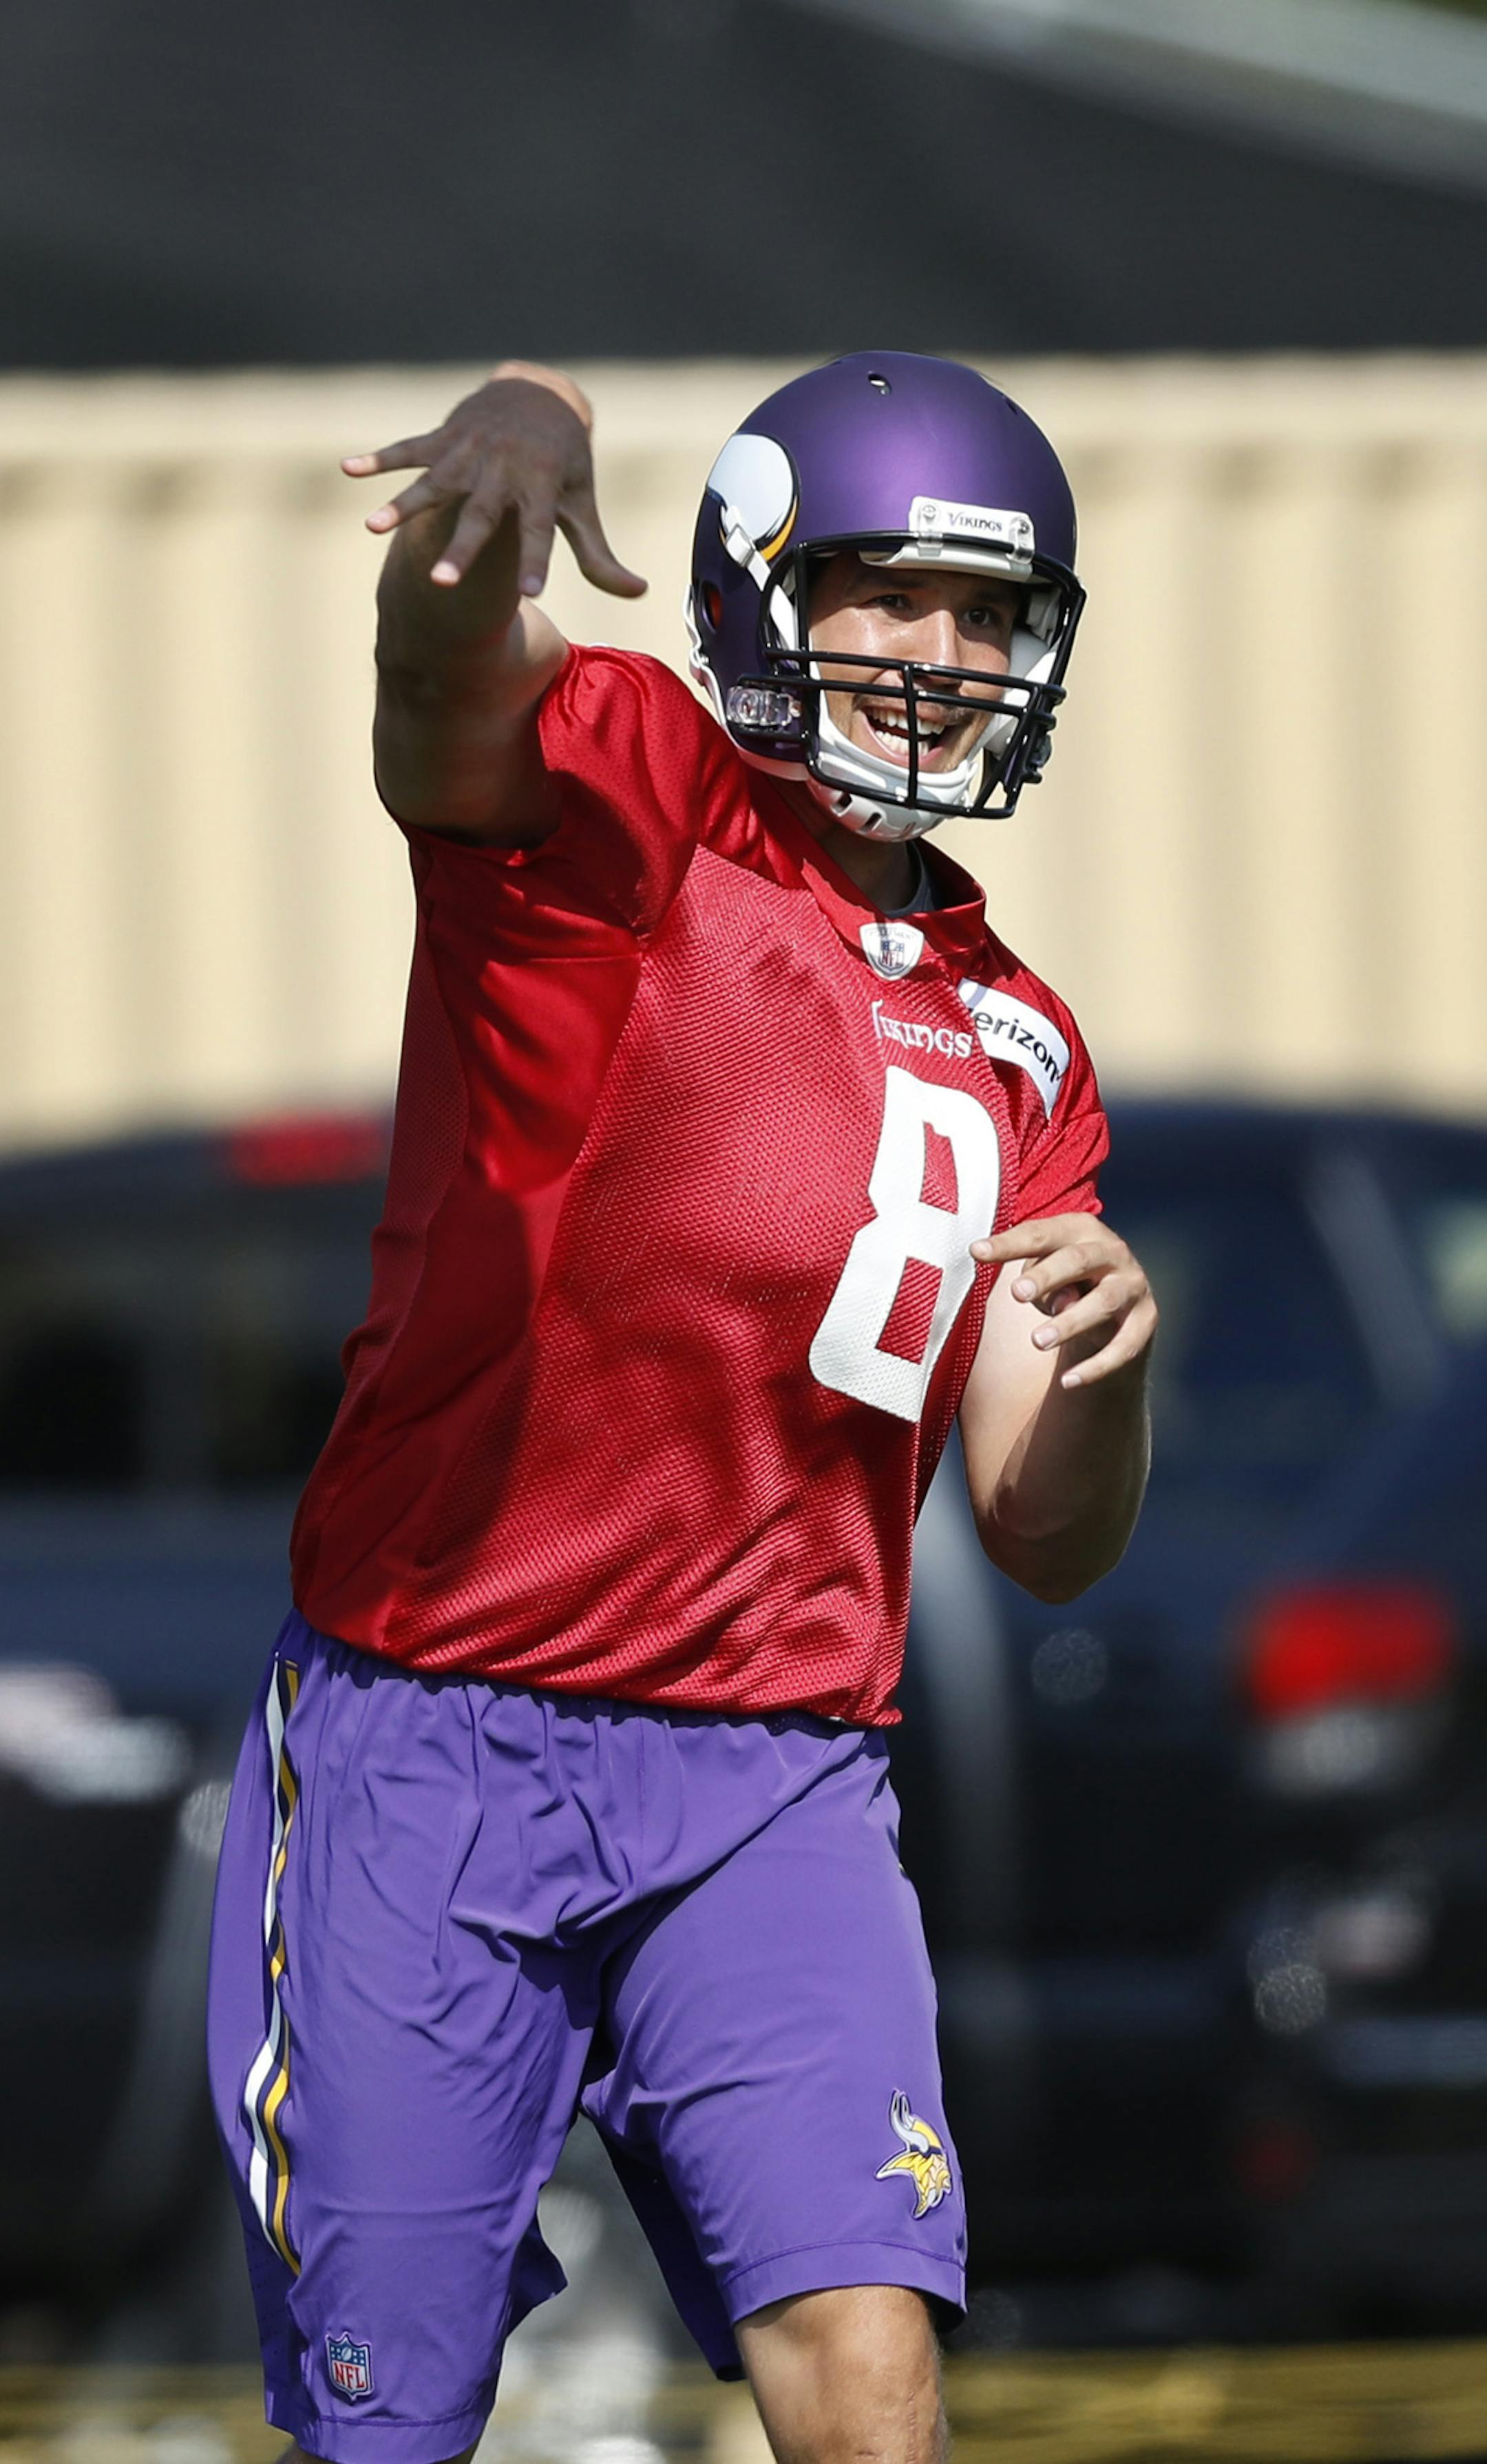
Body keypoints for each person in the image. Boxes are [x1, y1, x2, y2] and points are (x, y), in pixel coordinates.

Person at [207, 350, 1157, 2464]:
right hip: (439, 1728)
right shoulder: (638, 786)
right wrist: (503, 470)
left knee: (872, 2379)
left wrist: (1116, 1359)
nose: (944, 653)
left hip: (777, 1768)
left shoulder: (1020, 1040)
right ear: (756, 593)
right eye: (889, 592)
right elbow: (448, 694)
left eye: (988, 612)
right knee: (392, 2417)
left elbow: (1044, 1520)